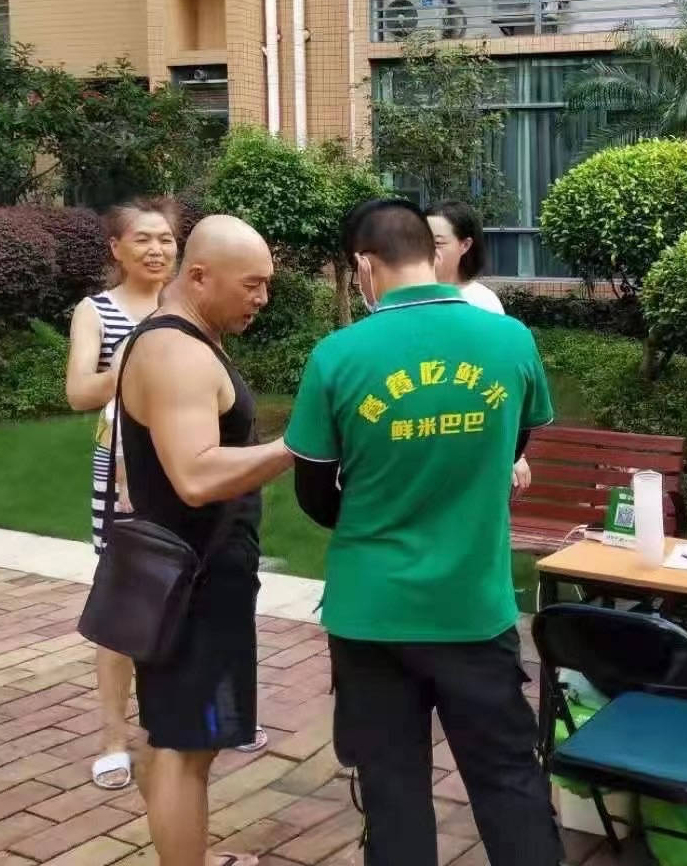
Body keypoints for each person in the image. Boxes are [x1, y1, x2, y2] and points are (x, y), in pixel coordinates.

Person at [285, 199, 561, 866]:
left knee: (393, 790)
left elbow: (315, 495)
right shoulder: (510, 340)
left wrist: (379, 506)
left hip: (372, 612)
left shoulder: (336, 355)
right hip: (473, 605)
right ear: (433, 254)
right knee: (508, 780)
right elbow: (513, 439)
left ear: (363, 266)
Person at [117, 215, 294, 866]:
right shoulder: (177, 351)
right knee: (188, 748)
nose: (261, 298)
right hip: (193, 587)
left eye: (267, 285)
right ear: (198, 276)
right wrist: (294, 447)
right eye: (252, 284)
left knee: (180, 741)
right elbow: (194, 475)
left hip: (196, 581)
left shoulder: (186, 341)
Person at [66, 199, 178, 792]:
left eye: (165, 239)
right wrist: (139, 354)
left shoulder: (187, 302)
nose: (157, 250)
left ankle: (183, 721)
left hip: (188, 468)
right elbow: (81, 392)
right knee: (122, 608)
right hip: (123, 476)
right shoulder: (98, 310)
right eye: (143, 239)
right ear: (116, 248)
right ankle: (113, 734)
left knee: (189, 598)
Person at [426, 199, 530, 491]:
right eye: (421, 241)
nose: (427, 251)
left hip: (468, 442)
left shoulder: (482, 303)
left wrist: (515, 453)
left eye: (437, 243)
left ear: (465, 245)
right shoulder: (411, 299)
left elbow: (499, 384)